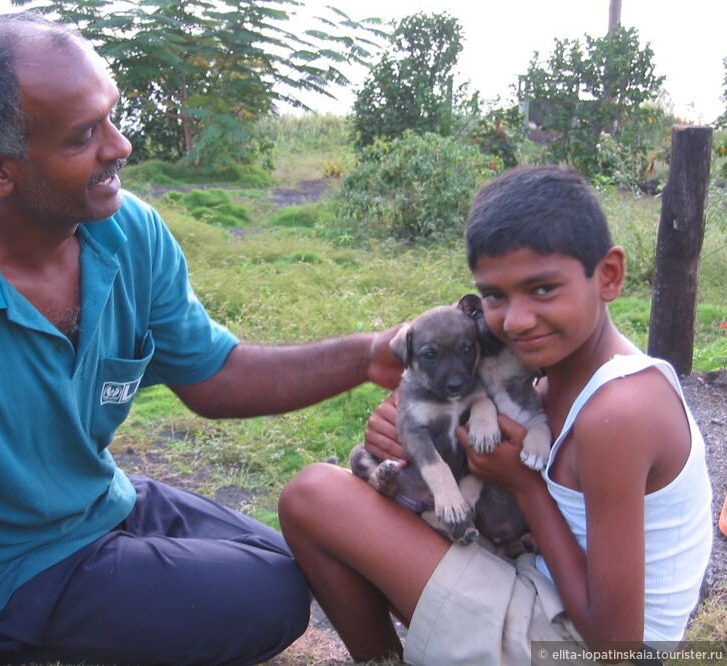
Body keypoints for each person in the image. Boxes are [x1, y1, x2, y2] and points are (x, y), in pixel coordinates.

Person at [0, 12, 404, 666]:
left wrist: (371, 354)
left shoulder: (125, 233)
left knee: (304, 557)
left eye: (111, 116)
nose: (119, 147)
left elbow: (213, 374)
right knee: (276, 595)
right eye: (84, 135)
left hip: (97, 502)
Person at [279, 165, 713, 665]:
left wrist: (525, 487)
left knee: (312, 496)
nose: (516, 320)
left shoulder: (620, 409)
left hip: (589, 645)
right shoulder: (546, 376)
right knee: (351, 498)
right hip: (545, 587)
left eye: (543, 289)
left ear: (609, 276)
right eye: (494, 296)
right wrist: (411, 440)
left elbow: (618, 643)